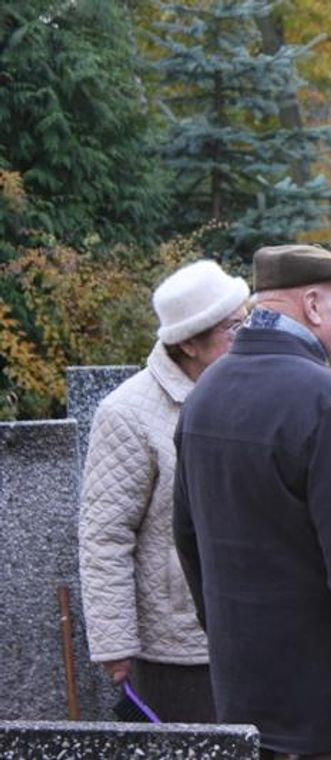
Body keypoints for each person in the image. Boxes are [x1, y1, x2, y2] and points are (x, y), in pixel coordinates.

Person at [173, 244, 331, 758]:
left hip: (243, 691)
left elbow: (188, 540)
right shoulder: (329, 402)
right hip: (326, 706)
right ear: (313, 305)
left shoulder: (204, 393)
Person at [79, 258, 249, 722]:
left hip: (257, 630)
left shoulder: (248, 390)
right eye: (234, 327)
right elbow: (105, 535)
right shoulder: (127, 413)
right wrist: (115, 645)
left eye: (248, 319)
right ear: (190, 343)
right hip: (180, 645)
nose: (248, 335)